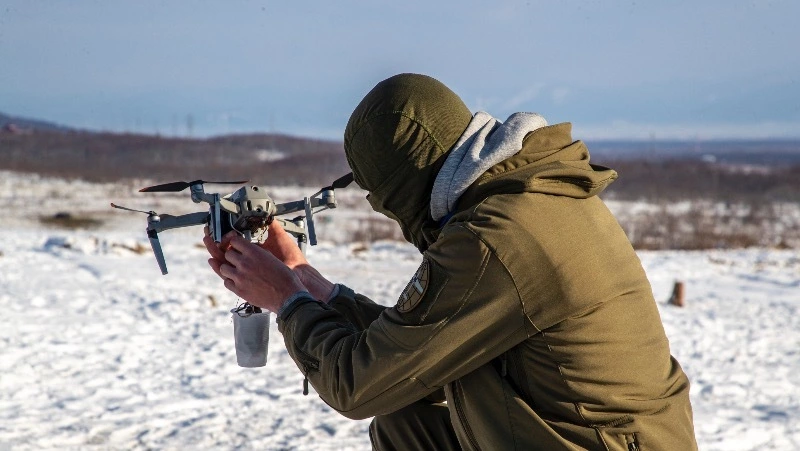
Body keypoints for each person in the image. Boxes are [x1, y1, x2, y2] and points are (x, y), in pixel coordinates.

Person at [204, 73, 698, 450]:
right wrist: (311, 286)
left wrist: (288, 302)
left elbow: (356, 386)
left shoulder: (495, 240)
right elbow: (419, 347)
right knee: (409, 427)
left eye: (386, 198)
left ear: (408, 183)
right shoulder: (522, 199)